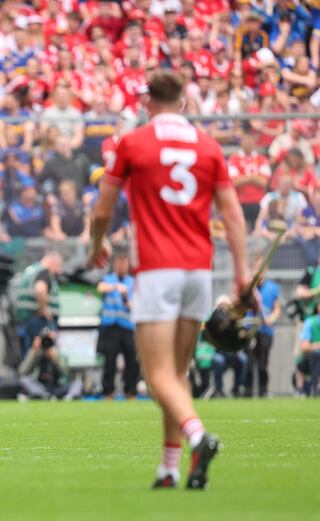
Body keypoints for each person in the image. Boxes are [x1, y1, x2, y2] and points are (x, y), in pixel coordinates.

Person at [88, 70, 250, 490]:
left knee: (156, 373)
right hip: (199, 269)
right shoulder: (209, 146)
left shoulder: (133, 142)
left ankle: (199, 436)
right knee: (175, 375)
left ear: (147, 103)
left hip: (157, 270)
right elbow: (232, 216)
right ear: (183, 101)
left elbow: (103, 209)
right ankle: (170, 467)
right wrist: (242, 273)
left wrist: (96, 244)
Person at [96, 250, 139, 399]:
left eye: (124, 263)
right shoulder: (108, 279)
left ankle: (131, 391)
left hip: (128, 326)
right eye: (119, 263)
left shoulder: (133, 282)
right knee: (110, 360)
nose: (121, 266)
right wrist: (115, 287)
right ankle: (108, 392)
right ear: (115, 264)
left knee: (132, 360)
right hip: (111, 326)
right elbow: (100, 287)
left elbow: (137, 303)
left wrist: (129, 302)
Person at [13, 251, 62, 354]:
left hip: (26, 319)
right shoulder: (44, 272)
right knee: (44, 353)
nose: (59, 271)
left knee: (29, 353)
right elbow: (40, 289)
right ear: (52, 262)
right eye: (58, 266)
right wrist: (45, 309)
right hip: (39, 321)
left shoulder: (30, 271)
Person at [247, 257, 281, 397]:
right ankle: (247, 392)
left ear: (265, 270)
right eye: (256, 268)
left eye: (261, 268)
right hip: (249, 330)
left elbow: (277, 309)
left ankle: (263, 391)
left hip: (266, 331)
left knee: (263, 363)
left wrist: (271, 318)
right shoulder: (247, 287)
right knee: (249, 363)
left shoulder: (273, 287)